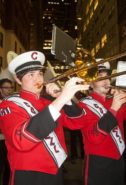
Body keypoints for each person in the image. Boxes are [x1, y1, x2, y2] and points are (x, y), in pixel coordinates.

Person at [0, 51, 89, 185]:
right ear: (18, 80)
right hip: (28, 174)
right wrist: (61, 99)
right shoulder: (9, 104)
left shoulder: (49, 103)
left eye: (40, 74)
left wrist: (65, 98)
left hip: (55, 171)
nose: (38, 79)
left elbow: (78, 122)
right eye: (31, 75)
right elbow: (21, 139)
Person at [76, 62, 126, 185]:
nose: (106, 81)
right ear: (91, 83)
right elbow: (95, 137)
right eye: (100, 77)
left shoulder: (115, 99)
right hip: (97, 161)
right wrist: (113, 109)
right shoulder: (83, 104)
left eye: (108, 77)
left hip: (119, 158)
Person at [0, 78, 13, 185]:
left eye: (10, 88)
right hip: (0, 141)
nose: (9, 90)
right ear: (0, 89)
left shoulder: (12, 103)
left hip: (10, 141)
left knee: (9, 168)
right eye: (6, 88)